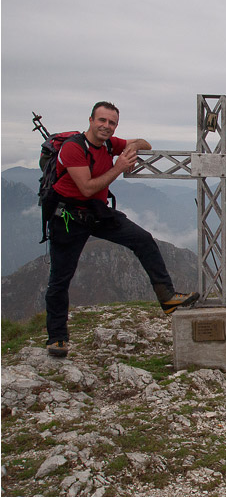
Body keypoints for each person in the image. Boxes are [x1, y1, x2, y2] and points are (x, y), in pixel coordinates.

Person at [44, 101, 199, 357]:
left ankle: (168, 298)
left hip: (96, 212)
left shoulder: (108, 143)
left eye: (112, 123)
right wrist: (119, 166)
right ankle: (57, 338)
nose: (106, 126)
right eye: (102, 121)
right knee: (61, 278)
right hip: (68, 217)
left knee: (144, 240)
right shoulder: (73, 148)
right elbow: (86, 188)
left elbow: (144, 143)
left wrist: (133, 146)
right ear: (91, 120)